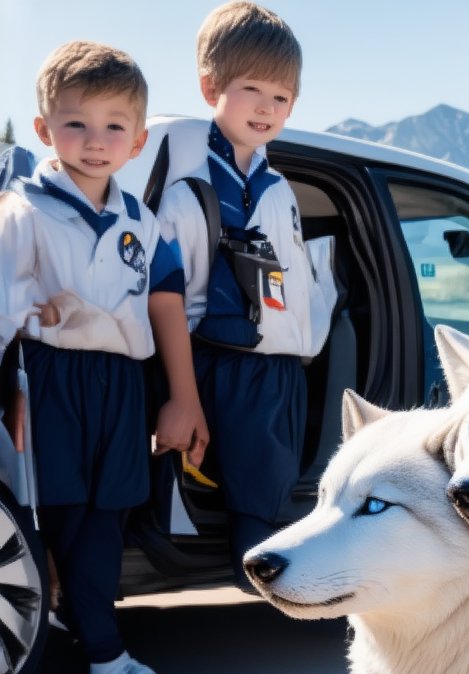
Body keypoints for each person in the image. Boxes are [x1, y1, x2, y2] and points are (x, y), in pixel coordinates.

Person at [0, 41, 207, 674]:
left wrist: (181, 396)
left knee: (105, 517)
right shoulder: (21, 212)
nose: (96, 141)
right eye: (76, 124)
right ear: (43, 131)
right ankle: (101, 650)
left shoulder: (141, 225)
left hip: (119, 384)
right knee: (52, 514)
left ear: (139, 139)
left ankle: (99, 652)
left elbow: (163, 304)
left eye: (115, 125)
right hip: (48, 377)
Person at [156, 1, 322, 585]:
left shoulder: (278, 189)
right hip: (221, 364)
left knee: (269, 492)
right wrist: (185, 392)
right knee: (253, 510)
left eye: (282, 97)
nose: (267, 107)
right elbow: (170, 297)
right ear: (211, 87)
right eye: (252, 88)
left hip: (278, 370)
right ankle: (272, 600)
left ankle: (274, 594)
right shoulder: (189, 189)